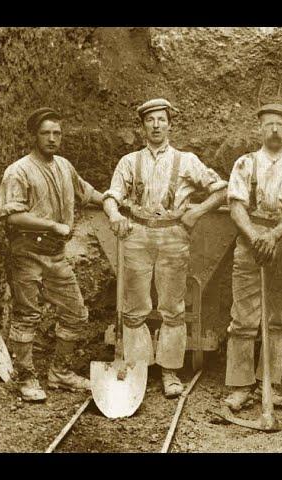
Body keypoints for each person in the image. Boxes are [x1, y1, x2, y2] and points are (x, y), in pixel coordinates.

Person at [103, 98, 227, 398]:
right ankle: (138, 369)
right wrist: (115, 214)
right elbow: (111, 196)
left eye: (161, 119)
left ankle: (170, 371)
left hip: (173, 235)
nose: (156, 125)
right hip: (136, 236)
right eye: (150, 120)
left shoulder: (187, 161)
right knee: (135, 308)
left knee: (172, 307)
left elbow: (222, 189)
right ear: (142, 126)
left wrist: (196, 213)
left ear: (170, 124)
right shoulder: (129, 162)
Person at [0, 107, 104, 402]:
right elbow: (13, 217)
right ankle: (26, 377)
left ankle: (60, 372)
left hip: (56, 256)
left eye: (57, 133)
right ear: (34, 135)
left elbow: (87, 192)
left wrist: (111, 199)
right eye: (46, 133)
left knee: (76, 313)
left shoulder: (64, 167)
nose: (52, 138)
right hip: (26, 254)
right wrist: (52, 225)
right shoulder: (18, 171)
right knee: (27, 315)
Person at [223, 104, 282, 412]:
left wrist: (273, 237)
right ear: (260, 129)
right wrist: (255, 237)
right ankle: (239, 386)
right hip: (250, 240)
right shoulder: (245, 164)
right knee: (243, 317)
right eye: (268, 125)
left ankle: (269, 384)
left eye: (279, 125)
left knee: (277, 319)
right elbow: (236, 206)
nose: (274, 130)